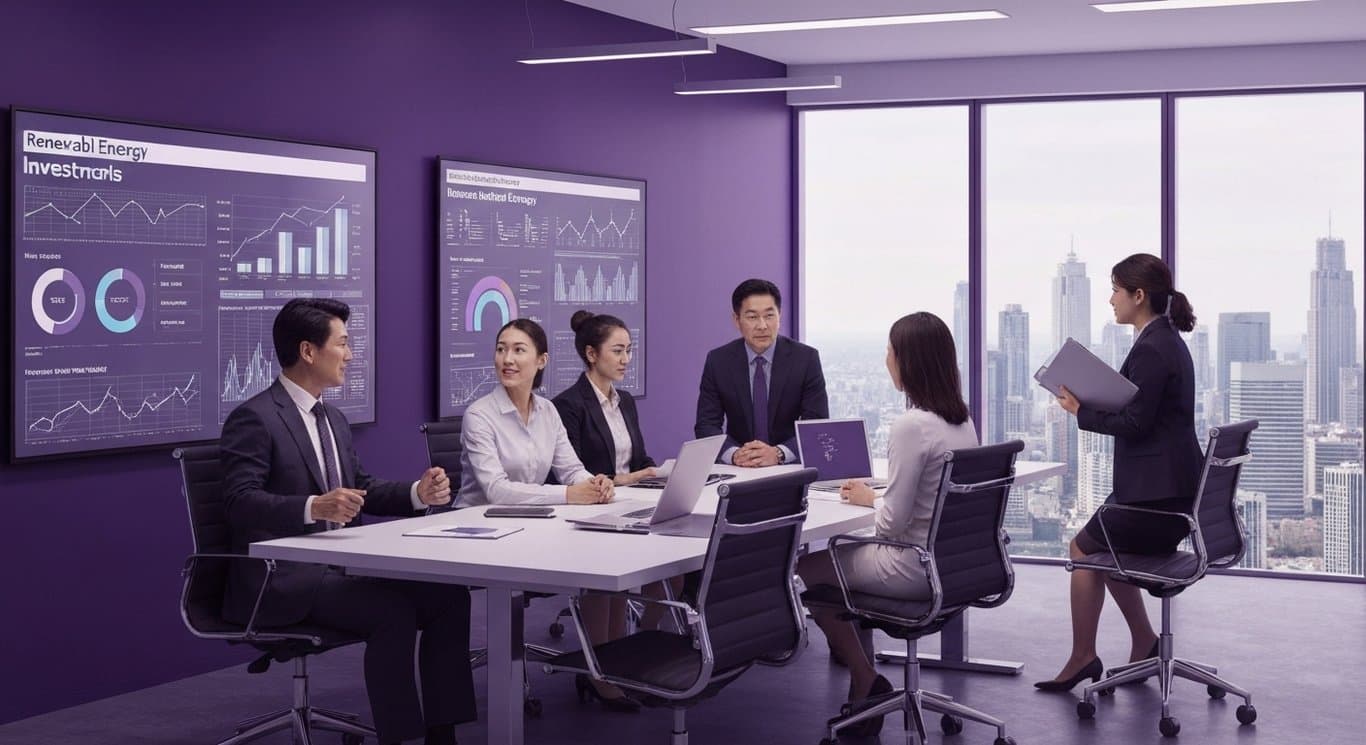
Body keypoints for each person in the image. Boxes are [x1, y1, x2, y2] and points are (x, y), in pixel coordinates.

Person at [221, 298, 474, 745]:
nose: (351, 354)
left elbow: (360, 487)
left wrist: (418, 493)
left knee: (447, 597)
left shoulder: (332, 417)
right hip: (283, 578)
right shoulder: (254, 418)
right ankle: (400, 738)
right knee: (391, 612)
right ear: (308, 352)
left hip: (340, 567)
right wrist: (312, 507)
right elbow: (240, 502)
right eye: (342, 343)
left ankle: (442, 734)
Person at [795, 312, 977, 737]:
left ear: (908, 362)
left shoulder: (911, 426)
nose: (886, 360)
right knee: (834, 565)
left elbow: (892, 527)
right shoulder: (962, 421)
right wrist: (875, 498)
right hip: (954, 564)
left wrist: (871, 504)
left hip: (911, 566)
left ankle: (864, 676)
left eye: (890, 351)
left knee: (804, 572)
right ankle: (866, 680)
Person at [1037, 253, 1203, 692]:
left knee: (1082, 550)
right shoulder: (1165, 342)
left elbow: (1137, 423)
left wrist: (1081, 410)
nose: (1111, 300)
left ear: (1138, 295)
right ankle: (1145, 640)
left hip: (1156, 501)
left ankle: (1082, 657)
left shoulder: (1152, 348)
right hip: (1170, 493)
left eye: (1115, 290)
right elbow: (1146, 411)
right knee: (1105, 552)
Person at [551, 310, 681, 712]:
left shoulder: (624, 402)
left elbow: (639, 458)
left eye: (630, 351)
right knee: (610, 579)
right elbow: (572, 474)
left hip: (634, 501)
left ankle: (636, 646)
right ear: (592, 354)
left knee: (676, 561)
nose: (626, 359)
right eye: (618, 351)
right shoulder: (568, 406)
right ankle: (601, 674)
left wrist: (657, 474)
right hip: (594, 510)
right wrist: (625, 481)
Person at [455, 317, 614, 508]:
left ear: (541, 360)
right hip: (476, 523)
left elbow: (571, 471)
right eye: (501, 349)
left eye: (518, 350)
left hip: (527, 519)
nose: (507, 359)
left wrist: (596, 484)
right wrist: (567, 494)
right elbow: (496, 491)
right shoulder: (478, 416)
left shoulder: (548, 410)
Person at [694, 278, 829, 466]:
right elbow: (706, 425)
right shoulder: (718, 361)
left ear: (779, 315)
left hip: (789, 470)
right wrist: (734, 454)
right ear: (736, 320)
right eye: (752, 317)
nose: (762, 325)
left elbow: (816, 424)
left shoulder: (806, 359)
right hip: (739, 470)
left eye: (769, 315)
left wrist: (779, 453)